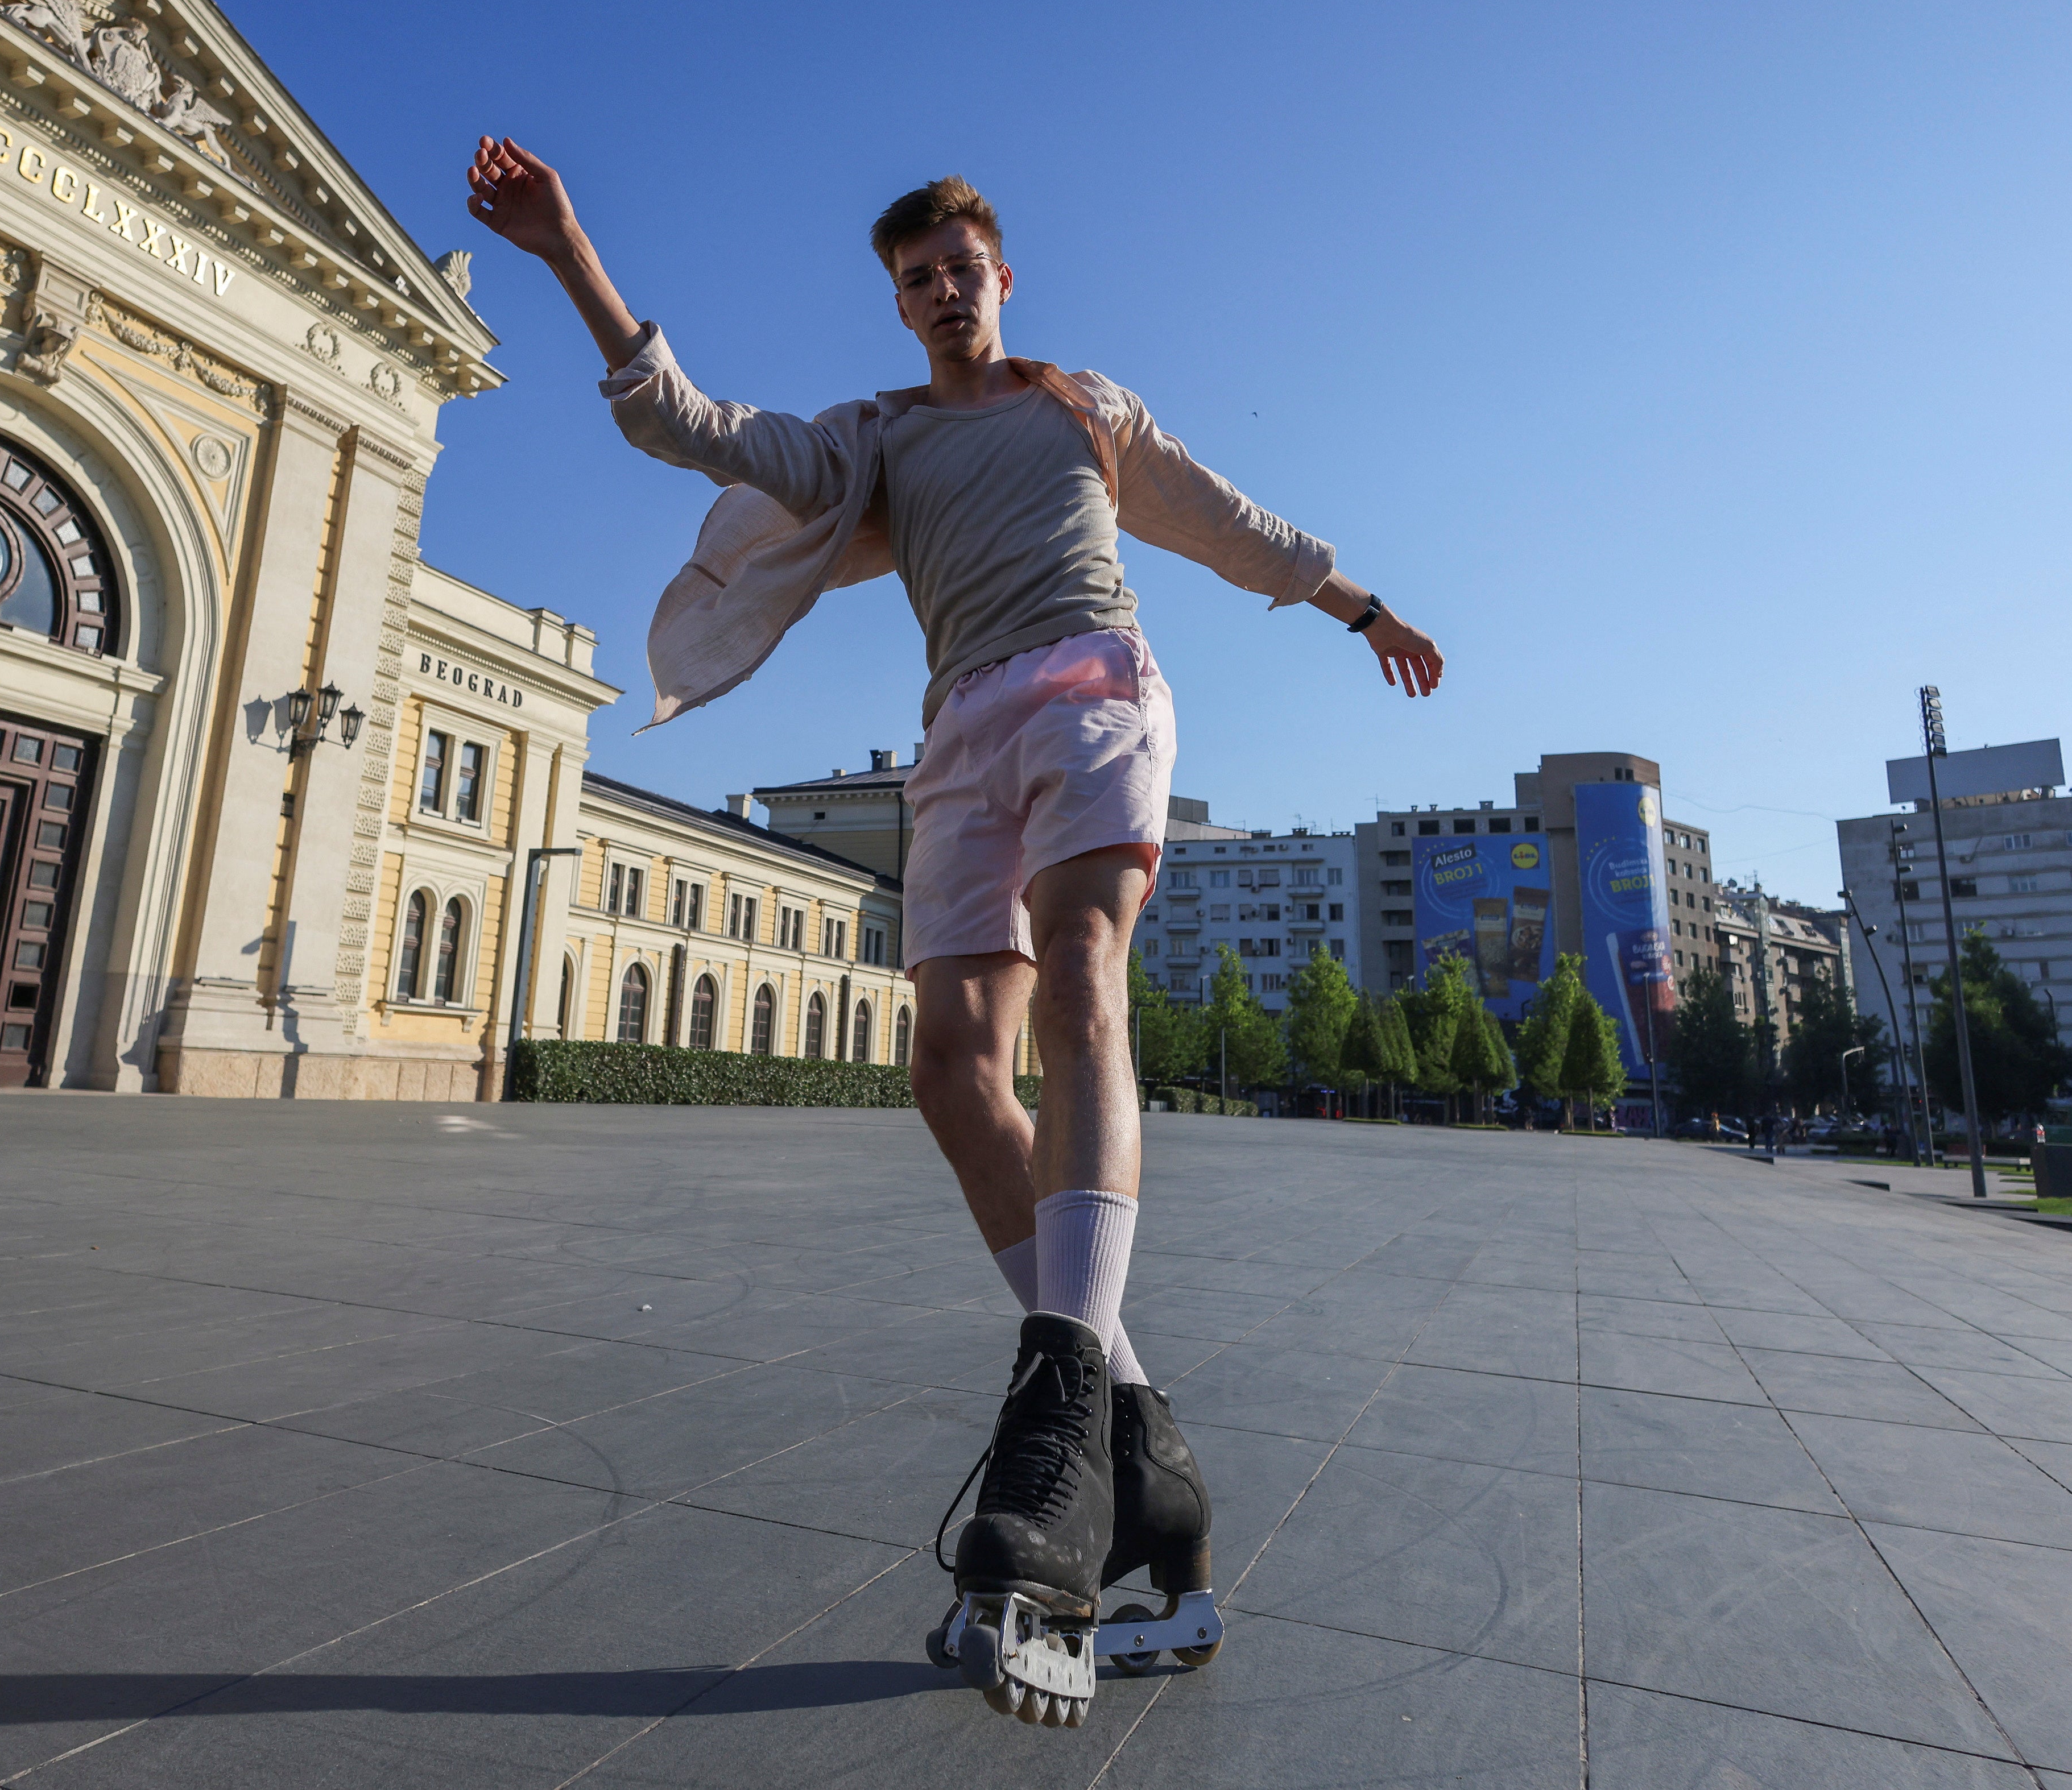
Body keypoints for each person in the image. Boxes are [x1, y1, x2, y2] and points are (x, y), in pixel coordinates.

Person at [465, 143, 1442, 1726]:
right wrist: (566, 244)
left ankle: (1052, 1422)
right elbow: (688, 424)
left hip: (1092, 686)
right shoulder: (874, 438)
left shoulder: (1081, 407)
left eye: (958, 269)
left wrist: (1359, 607)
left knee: (1079, 975)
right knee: (942, 1068)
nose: (937, 292)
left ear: (1001, 277)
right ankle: (1132, 1435)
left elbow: (1223, 520)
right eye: (911, 278)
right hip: (959, 732)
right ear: (899, 299)